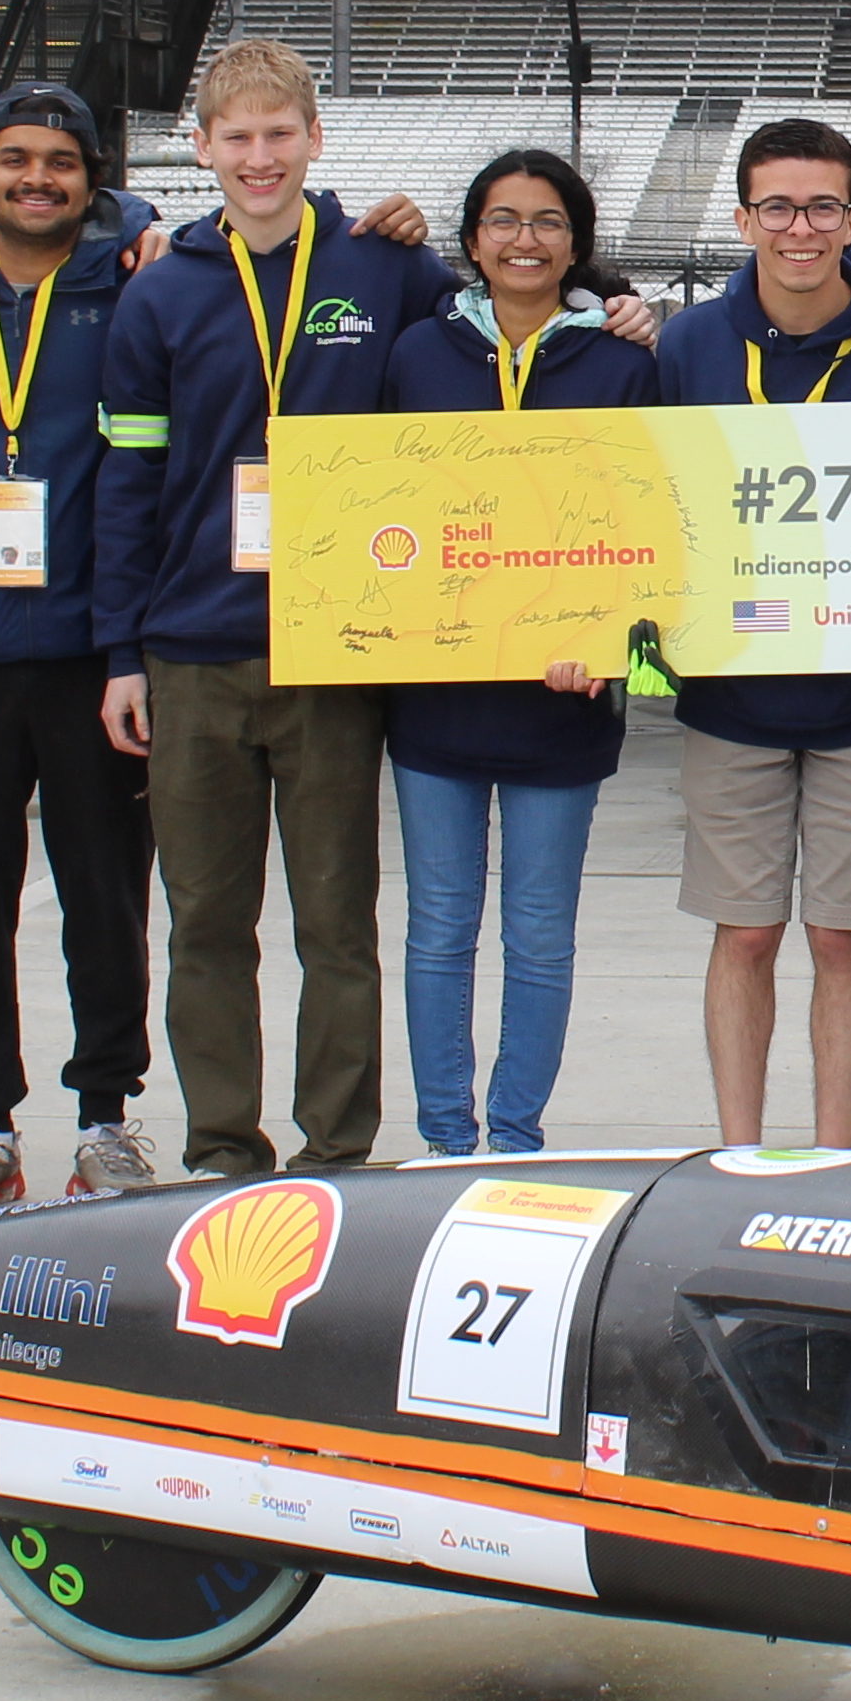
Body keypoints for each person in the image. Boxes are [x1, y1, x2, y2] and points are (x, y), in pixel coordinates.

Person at [91, 39, 452, 1185]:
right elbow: (127, 486)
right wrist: (122, 653)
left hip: (337, 645)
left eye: (278, 134)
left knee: (336, 921)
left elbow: (506, 344)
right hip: (193, 650)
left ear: (315, 139)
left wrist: (622, 312)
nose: (259, 157)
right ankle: (221, 1146)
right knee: (206, 922)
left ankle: (337, 1146)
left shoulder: (384, 266)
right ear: (200, 149)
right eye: (236, 138)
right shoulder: (159, 290)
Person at [648, 116, 851, 1149]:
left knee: (841, 933)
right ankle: (738, 1153)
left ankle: (834, 1159)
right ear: (743, 217)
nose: (800, 227)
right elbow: (650, 510)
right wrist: (645, 662)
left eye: (822, 205)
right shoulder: (691, 342)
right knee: (743, 932)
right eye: (778, 206)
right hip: (730, 693)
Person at [0, 81, 162, 1216]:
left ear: (92, 181)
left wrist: (144, 219)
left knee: (104, 894)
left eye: (62, 161)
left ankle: (106, 1118)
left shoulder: (128, 282)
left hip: (86, 646)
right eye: (16, 161)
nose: (38, 179)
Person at [376, 148, 656, 1159]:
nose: (524, 239)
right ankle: (446, 1139)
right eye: (503, 219)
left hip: (562, 701)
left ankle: (515, 1136)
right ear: (471, 241)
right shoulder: (416, 355)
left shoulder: (627, 363)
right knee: (440, 929)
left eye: (545, 221)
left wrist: (610, 642)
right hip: (435, 696)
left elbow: (646, 531)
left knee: (538, 937)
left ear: (577, 243)